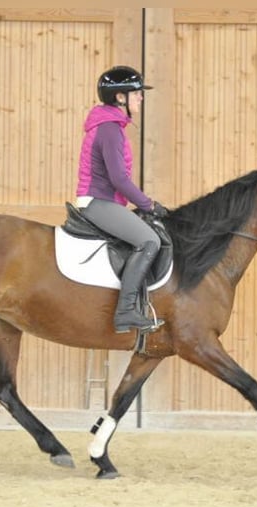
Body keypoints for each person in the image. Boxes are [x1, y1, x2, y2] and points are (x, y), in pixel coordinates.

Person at [75, 65, 169, 334]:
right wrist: (148, 205)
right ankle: (126, 310)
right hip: (97, 202)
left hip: (105, 201)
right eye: (137, 93)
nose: (141, 98)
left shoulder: (112, 126)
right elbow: (119, 179)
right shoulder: (109, 129)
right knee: (149, 240)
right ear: (120, 97)